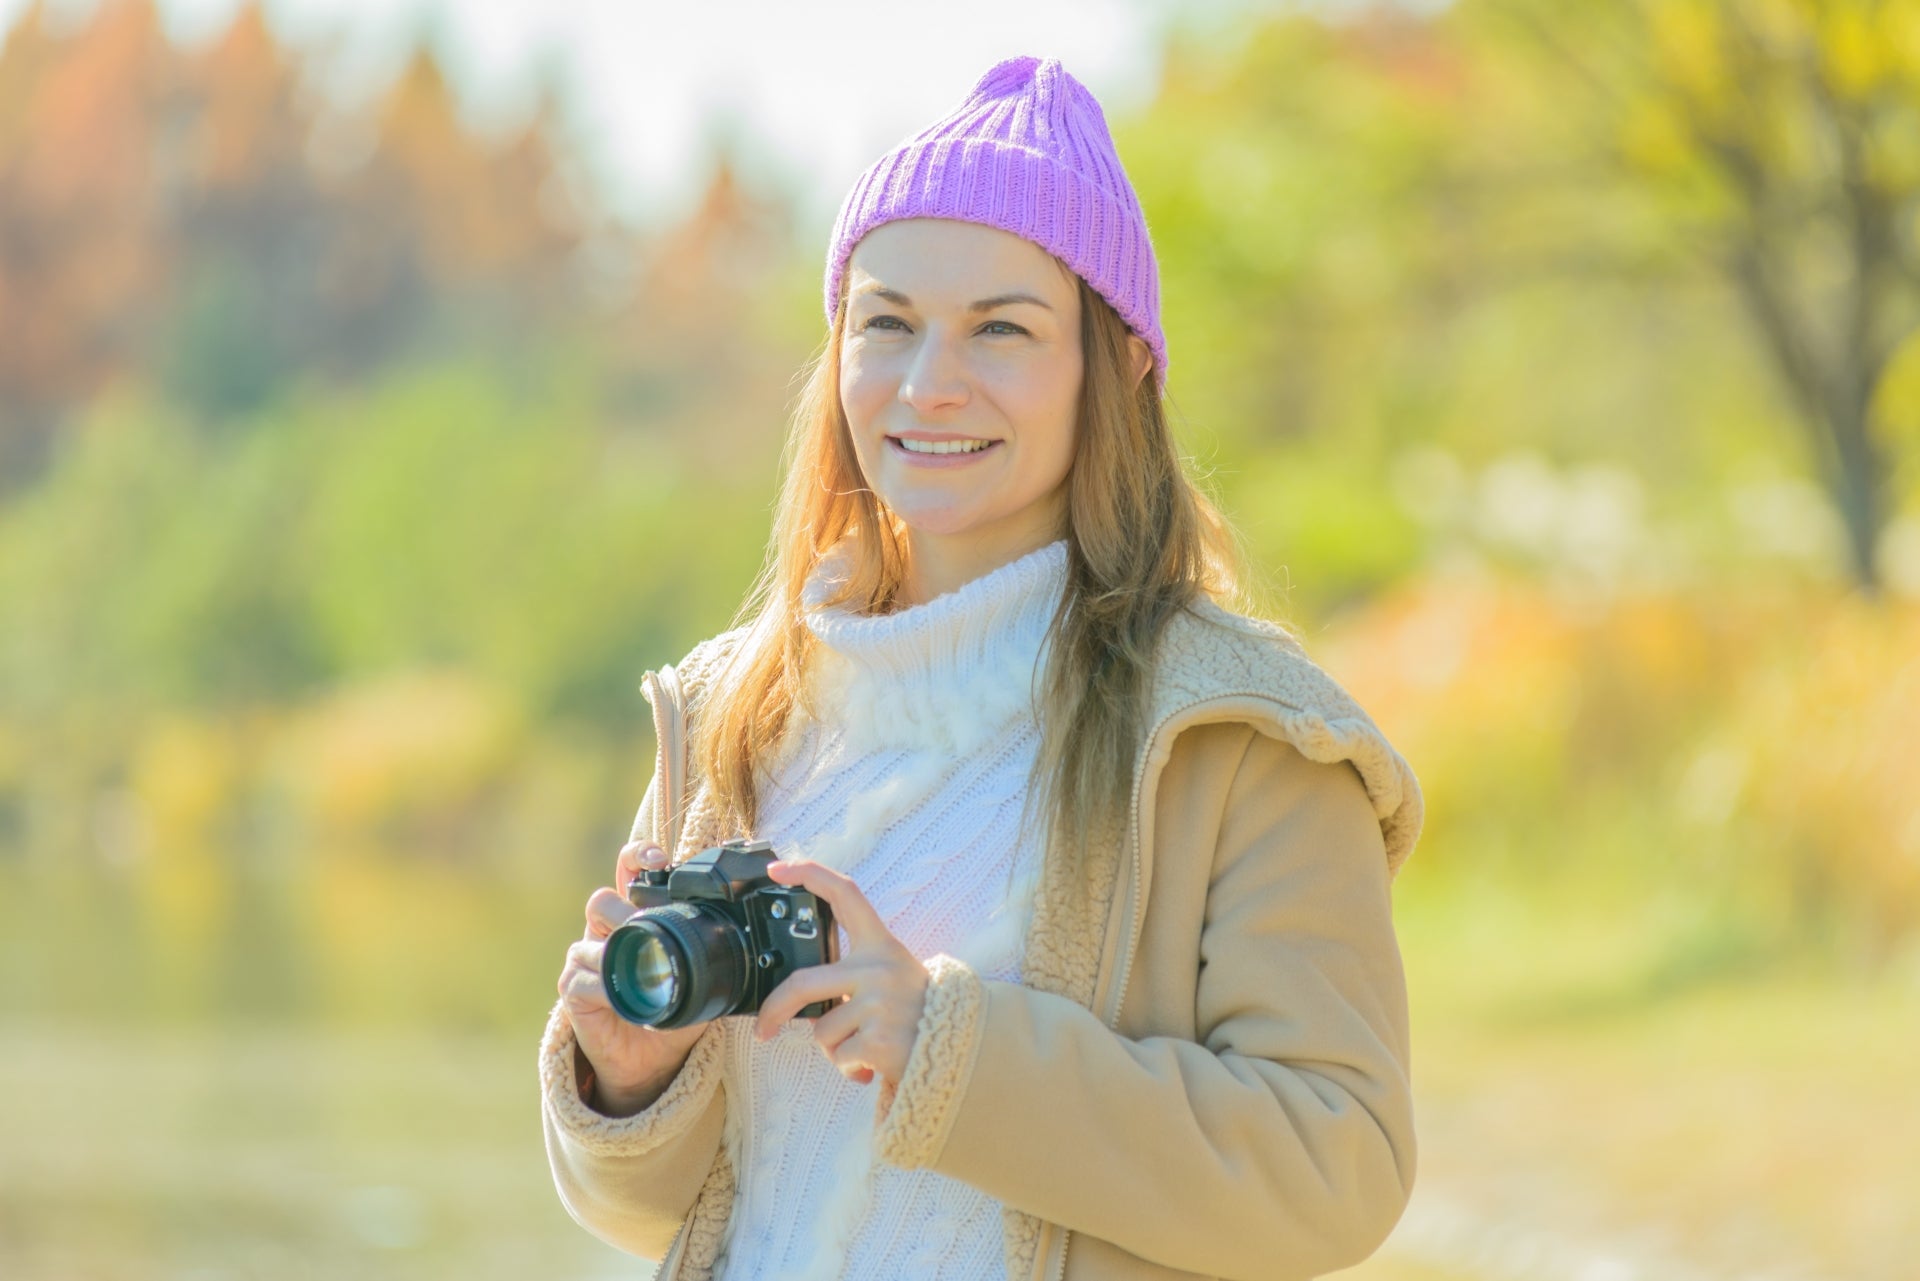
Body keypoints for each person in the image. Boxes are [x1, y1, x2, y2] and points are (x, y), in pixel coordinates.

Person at [539, 54, 1423, 1281]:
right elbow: (667, 1210)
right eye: (887, 322)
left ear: (1116, 366)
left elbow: (1339, 1171)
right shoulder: (736, 708)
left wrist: (954, 1051)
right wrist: (627, 1080)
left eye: (1000, 328)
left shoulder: (1234, 735)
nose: (928, 383)